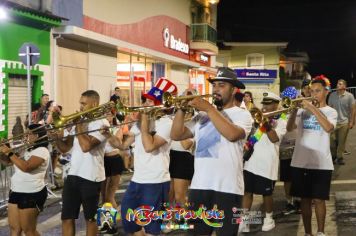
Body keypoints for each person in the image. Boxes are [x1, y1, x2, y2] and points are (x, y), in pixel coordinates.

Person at [171, 67, 252, 235]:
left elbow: (232, 134)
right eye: (214, 86)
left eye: (221, 85)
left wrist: (209, 109)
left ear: (234, 89)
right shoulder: (202, 116)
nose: (216, 90)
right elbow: (176, 134)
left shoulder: (243, 115)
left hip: (229, 189)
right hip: (199, 187)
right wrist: (181, 108)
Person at [120, 78, 177, 235]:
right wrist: (120, 127)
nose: (146, 104)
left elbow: (149, 146)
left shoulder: (167, 123)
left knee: (152, 228)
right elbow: (123, 145)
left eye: (151, 101)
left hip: (156, 181)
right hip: (137, 179)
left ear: (163, 104)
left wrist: (143, 121)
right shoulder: (144, 121)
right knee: (129, 220)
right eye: (147, 100)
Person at [54, 90, 109, 236]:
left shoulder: (102, 123)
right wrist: (56, 138)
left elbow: (86, 147)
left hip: (91, 176)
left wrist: (79, 125)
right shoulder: (80, 122)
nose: (80, 106)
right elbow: (66, 148)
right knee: (66, 218)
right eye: (80, 103)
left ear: (95, 103)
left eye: (83, 103)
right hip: (73, 174)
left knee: (90, 219)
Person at [287, 76, 337, 236]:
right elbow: (289, 129)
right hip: (300, 162)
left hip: (321, 163)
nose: (313, 94)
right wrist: (294, 111)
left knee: (319, 199)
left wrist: (312, 108)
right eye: (312, 91)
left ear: (326, 92)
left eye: (317, 91)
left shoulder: (331, 111)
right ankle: (308, 233)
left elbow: (328, 127)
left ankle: (321, 232)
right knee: (305, 200)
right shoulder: (302, 111)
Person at [240, 92, 287, 233]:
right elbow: (249, 138)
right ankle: (245, 222)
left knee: (267, 194)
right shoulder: (256, 119)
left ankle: (268, 218)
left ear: (276, 105)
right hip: (251, 162)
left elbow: (274, 138)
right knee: (247, 192)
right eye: (264, 104)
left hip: (267, 163)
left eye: (268, 104)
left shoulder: (281, 120)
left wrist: (265, 124)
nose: (264, 107)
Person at [0, 124, 50, 236]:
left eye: (28, 134)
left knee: (29, 230)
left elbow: (26, 167)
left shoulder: (42, 150)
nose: (25, 136)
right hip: (15, 191)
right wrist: (4, 150)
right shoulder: (27, 149)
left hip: (31, 194)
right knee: (14, 229)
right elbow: (8, 162)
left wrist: (9, 152)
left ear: (37, 135)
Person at [100, 111, 134, 210]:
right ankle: (106, 221)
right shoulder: (100, 128)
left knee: (109, 195)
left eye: (109, 115)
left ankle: (113, 221)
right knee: (103, 196)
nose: (106, 117)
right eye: (105, 115)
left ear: (113, 116)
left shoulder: (116, 128)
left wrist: (107, 134)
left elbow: (117, 143)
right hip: (103, 161)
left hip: (114, 160)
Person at [328, 79, 355, 165]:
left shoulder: (349, 96)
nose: (337, 85)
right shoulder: (332, 95)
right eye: (337, 83)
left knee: (341, 141)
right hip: (333, 122)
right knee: (332, 141)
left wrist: (351, 121)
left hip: (344, 122)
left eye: (339, 84)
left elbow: (353, 109)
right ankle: (333, 155)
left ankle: (339, 157)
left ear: (344, 86)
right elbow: (329, 108)